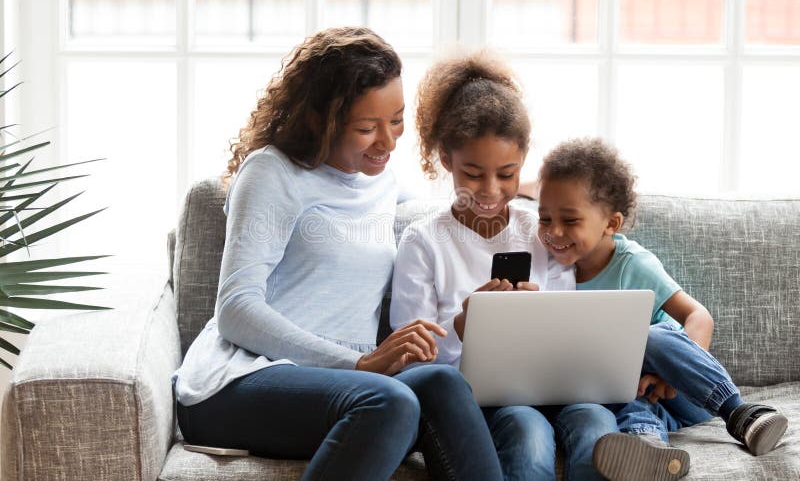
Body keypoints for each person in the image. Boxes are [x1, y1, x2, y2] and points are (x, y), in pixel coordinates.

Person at [172, 27, 505, 481]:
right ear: (320, 120)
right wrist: (359, 364)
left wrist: (522, 186)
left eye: (397, 120)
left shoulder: (381, 180)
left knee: (442, 383)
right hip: (241, 379)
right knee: (388, 401)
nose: (388, 142)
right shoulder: (272, 172)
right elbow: (235, 309)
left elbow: (459, 192)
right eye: (367, 128)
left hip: (354, 383)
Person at [389, 50, 618, 481]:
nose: (491, 190)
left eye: (507, 173)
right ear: (446, 161)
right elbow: (413, 362)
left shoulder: (543, 231)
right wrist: (463, 328)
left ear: (524, 161)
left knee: (597, 423)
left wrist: (539, 314)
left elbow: (573, 326)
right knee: (527, 429)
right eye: (473, 173)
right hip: (486, 398)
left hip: (556, 384)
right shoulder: (423, 242)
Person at [536, 137, 789, 481]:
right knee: (614, 393)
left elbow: (698, 316)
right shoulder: (551, 272)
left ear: (610, 224)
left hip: (685, 389)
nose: (553, 231)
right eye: (544, 217)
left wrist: (671, 376)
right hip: (637, 394)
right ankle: (650, 448)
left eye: (569, 220)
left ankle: (740, 413)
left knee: (654, 335)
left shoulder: (631, 263)